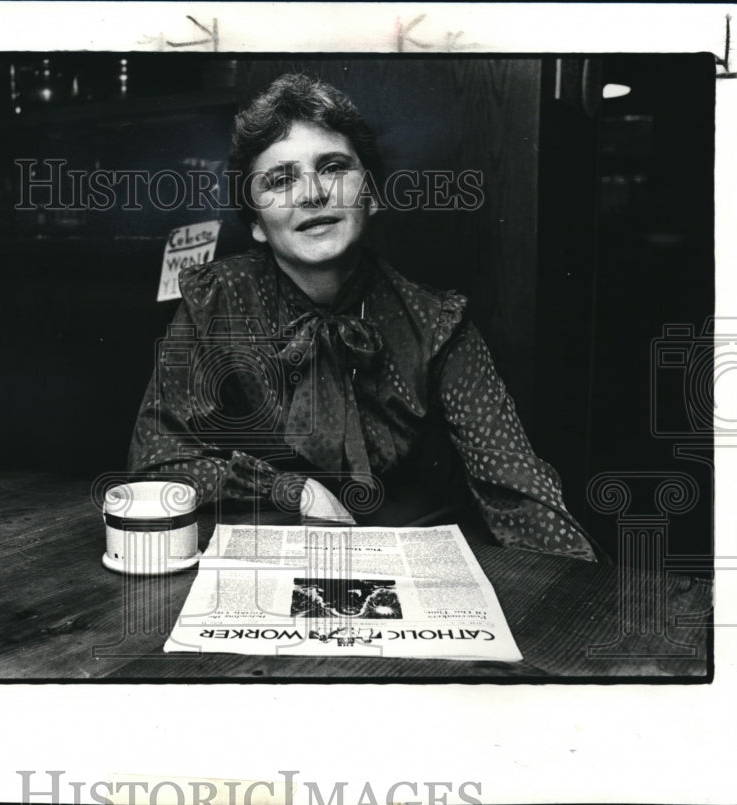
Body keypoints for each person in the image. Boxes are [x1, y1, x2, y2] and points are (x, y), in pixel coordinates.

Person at [128, 73, 599, 561]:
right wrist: (290, 489)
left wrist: (581, 602)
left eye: (333, 167)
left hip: (409, 566)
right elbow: (156, 468)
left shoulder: (435, 323)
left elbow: (518, 490)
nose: (312, 193)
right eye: (281, 179)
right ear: (255, 224)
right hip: (265, 565)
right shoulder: (215, 302)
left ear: (371, 195)